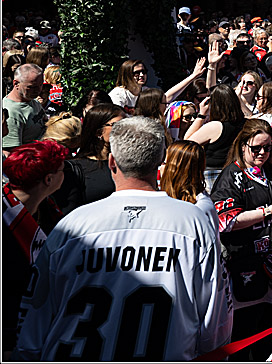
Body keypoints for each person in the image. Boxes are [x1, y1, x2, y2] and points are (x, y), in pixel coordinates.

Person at [14, 117, 232, 360]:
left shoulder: (71, 226)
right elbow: (215, 317)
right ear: (161, 159)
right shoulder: (193, 222)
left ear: (112, 161)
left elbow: (34, 319)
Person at [211, 118, 272, 360]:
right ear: (243, 145)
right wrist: (267, 212)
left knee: (268, 329)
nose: (262, 153)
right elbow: (224, 221)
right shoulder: (232, 176)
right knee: (245, 333)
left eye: (268, 147)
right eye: (256, 148)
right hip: (246, 266)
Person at [2, 139, 68, 354]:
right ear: (49, 179)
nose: (65, 175)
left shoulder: (47, 209)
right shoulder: (6, 219)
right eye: (62, 170)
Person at [52, 103, 126, 213]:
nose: (126, 129)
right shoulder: (74, 170)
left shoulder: (129, 163)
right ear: (99, 132)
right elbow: (69, 214)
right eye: (118, 125)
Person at [185, 83, 247, 191]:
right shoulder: (247, 124)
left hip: (215, 175)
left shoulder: (215, 127)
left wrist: (201, 115)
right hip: (239, 174)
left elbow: (186, 142)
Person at [160, 139, 218, 230]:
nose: (160, 167)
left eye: (164, 163)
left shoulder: (200, 208)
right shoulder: (157, 196)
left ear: (175, 171)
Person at [4, 63, 46, 152]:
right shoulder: (11, 113)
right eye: (31, 87)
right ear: (16, 83)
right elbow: (12, 152)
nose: (38, 90)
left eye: (40, 85)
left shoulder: (30, 99)